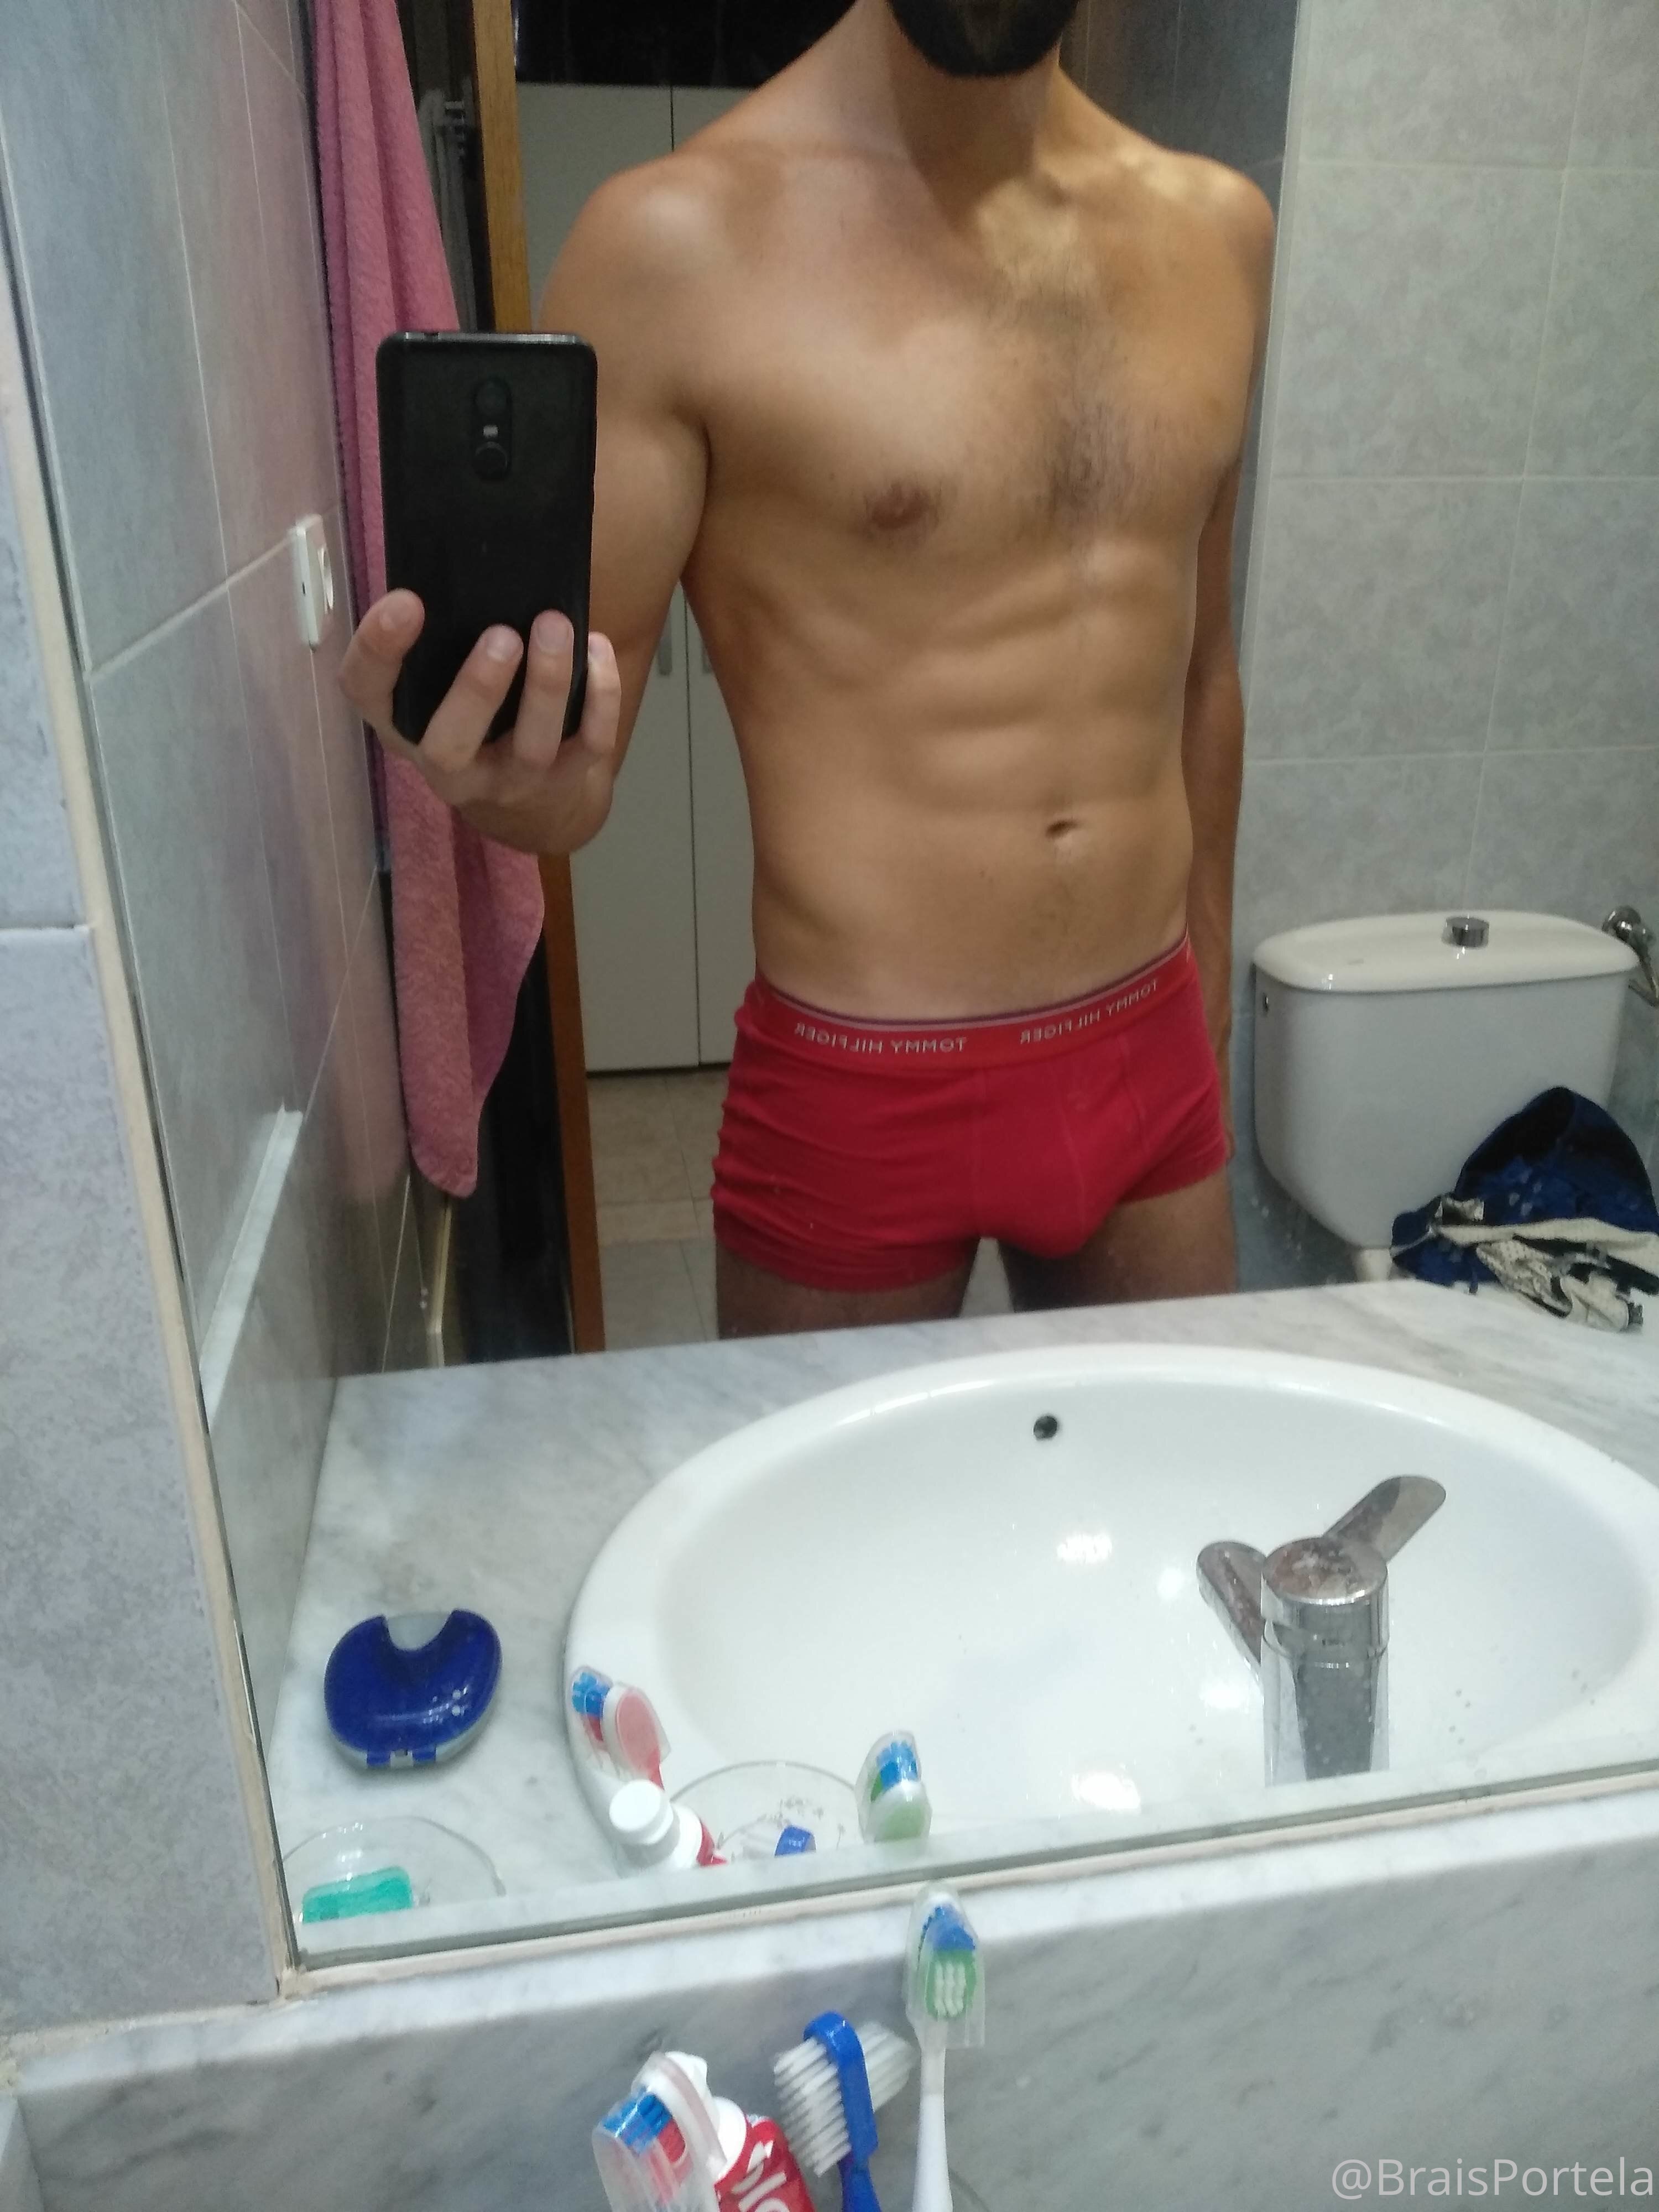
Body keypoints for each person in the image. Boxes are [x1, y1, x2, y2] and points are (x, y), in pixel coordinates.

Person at [339, 0, 1274, 1338]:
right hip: (863, 1086)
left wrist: (1212, 986)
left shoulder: (1222, 233)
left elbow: (1203, 676)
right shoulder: (675, 246)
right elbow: (569, 781)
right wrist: (502, 779)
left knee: (1177, 1470)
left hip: (1150, 1048)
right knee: (826, 1488)